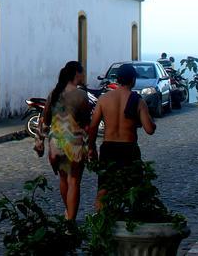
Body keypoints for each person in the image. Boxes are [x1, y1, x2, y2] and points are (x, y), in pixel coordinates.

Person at [34, 60, 93, 221]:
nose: (84, 75)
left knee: (63, 179)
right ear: (76, 74)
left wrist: (39, 141)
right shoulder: (81, 95)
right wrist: (90, 147)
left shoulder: (54, 93)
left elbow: (44, 120)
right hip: (73, 143)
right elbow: (86, 124)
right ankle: (71, 221)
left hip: (56, 143)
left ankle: (68, 212)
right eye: (82, 72)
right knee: (74, 180)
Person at [90, 62, 155, 206]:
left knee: (104, 189)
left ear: (117, 79)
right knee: (134, 189)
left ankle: (100, 223)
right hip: (128, 149)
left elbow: (93, 126)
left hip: (109, 148)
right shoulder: (138, 101)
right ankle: (130, 220)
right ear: (133, 80)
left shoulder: (104, 99)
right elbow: (150, 129)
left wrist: (91, 148)